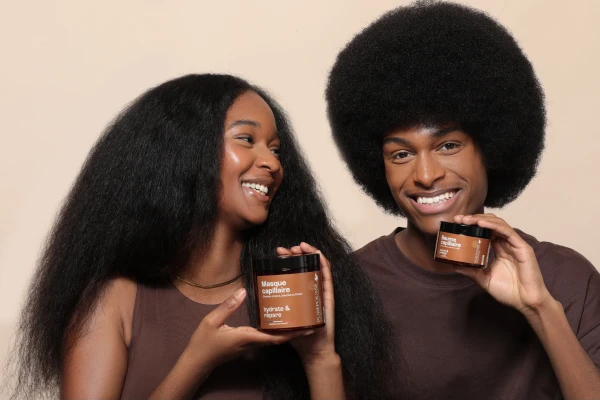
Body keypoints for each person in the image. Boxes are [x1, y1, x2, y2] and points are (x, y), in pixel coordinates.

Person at [11, 74, 396, 399]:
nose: (272, 162)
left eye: (276, 149)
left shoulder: (285, 293)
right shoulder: (115, 300)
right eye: (246, 139)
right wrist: (196, 362)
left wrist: (320, 357)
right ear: (186, 152)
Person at [325, 1, 600, 399]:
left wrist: (540, 309)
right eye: (401, 154)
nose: (425, 175)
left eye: (448, 145)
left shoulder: (567, 279)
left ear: (491, 148)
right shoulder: (351, 288)